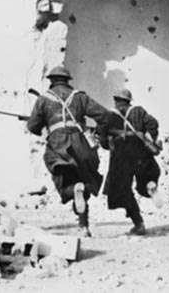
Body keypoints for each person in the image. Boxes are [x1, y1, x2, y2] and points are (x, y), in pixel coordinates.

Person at [26, 66, 111, 237]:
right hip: (82, 144)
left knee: (63, 180)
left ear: (51, 80)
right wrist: (100, 136)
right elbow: (105, 116)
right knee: (85, 179)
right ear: (67, 80)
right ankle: (83, 227)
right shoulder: (79, 97)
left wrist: (46, 123)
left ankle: (73, 191)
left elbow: (33, 126)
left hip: (59, 145)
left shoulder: (44, 99)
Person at [99, 89, 162, 236]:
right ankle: (149, 185)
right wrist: (151, 137)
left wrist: (107, 145)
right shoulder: (138, 111)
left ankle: (138, 224)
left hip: (121, 154)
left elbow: (102, 134)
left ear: (115, 99)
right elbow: (153, 124)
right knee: (145, 175)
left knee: (122, 189)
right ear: (129, 100)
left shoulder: (110, 114)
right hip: (140, 150)